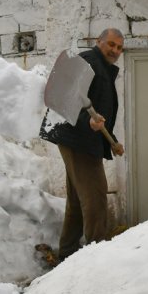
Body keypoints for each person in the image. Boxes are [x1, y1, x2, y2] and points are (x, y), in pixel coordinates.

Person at [46, 28, 125, 262]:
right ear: (98, 42)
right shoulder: (89, 62)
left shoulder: (102, 68)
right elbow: (64, 98)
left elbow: (98, 112)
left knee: (79, 199)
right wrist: (86, 121)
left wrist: (111, 141)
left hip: (80, 138)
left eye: (120, 47)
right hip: (76, 138)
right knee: (95, 199)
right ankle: (96, 257)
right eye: (111, 44)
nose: (115, 50)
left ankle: (68, 252)